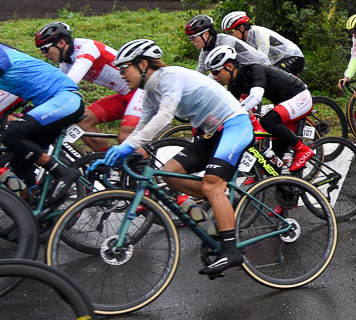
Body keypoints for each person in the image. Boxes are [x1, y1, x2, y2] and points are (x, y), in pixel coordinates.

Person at [101, 39, 254, 276]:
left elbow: (165, 117)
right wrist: (129, 149)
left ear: (142, 64)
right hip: (212, 133)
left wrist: (129, 145)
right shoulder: (149, 89)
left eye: (124, 68)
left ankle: (231, 251)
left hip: (235, 125)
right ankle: (220, 202)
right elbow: (144, 123)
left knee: (212, 186)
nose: (121, 74)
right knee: (170, 175)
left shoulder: (169, 77)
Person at [0, 19, 81, 202]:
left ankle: (64, 172)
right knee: (17, 160)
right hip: (48, 104)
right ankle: (32, 208)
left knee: (11, 136)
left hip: (65, 98)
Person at [205, 46, 316, 172]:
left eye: (215, 72)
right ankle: (267, 176)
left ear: (229, 67)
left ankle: (302, 149)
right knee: (278, 158)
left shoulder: (254, 69)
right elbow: (229, 106)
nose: (214, 77)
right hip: (284, 103)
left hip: (299, 96)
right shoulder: (234, 84)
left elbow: (255, 97)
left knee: (268, 122)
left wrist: (235, 113)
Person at [33, 21, 141, 149]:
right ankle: (109, 161)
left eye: (45, 49)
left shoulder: (87, 48)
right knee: (81, 122)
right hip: (124, 95)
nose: (44, 55)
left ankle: (141, 167)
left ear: (61, 43)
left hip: (142, 91)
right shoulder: (66, 63)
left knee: (125, 137)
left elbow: (70, 83)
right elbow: (53, 90)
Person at [219, 11, 305, 74]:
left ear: (241, 28)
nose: (230, 35)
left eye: (231, 31)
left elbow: (262, 58)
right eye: (227, 33)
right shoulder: (245, 39)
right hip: (279, 60)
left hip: (293, 57)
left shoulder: (258, 33)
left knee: (274, 77)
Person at [186, 14, 269, 75]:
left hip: (261, 66)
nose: (192, 41)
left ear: (206, 34)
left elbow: (219, 70)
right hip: (245, 71)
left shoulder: (226, 41)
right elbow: (199, 74)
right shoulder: (205, 51)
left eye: (193, 38)